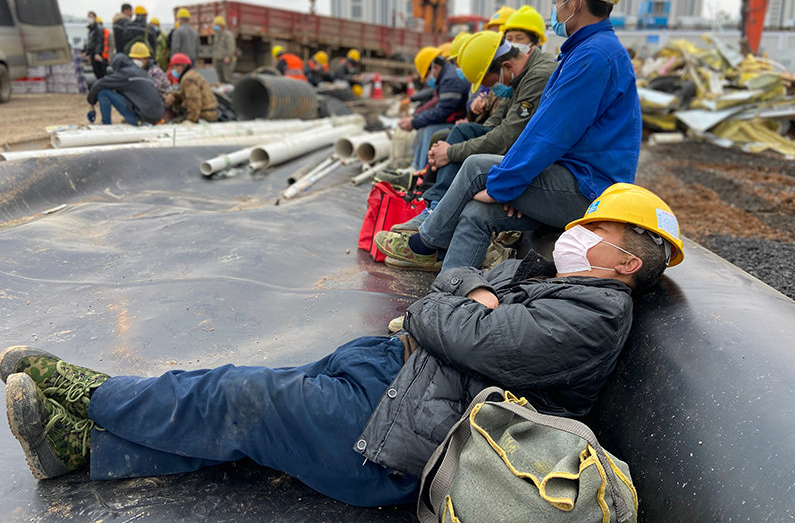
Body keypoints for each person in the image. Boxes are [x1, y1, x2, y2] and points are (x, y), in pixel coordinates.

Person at [0, 183, 684, 508]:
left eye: (598, 230)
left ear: (626, 263)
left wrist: (459, 309)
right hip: (401, 382)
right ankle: (81, 448)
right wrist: (465, 303)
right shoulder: (543, 276)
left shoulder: (592, 316)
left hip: (399, 439)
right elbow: (455, 282)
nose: (577, 231)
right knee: (252, 416)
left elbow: (457, 321)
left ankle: (93, 394)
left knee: (243, 395)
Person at [375, 0, 641, 273]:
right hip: (571, 177)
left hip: (589, 188)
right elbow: (543, 133)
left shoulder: (594, 57)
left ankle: (423, 244)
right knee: (476, 212)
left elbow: (547, 135)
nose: (555, 5)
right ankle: (449, 302)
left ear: (574, 1)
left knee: (476, 168)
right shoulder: (588, 52)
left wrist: (506, 185)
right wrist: (520, 187)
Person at [388, 27, 556, 250]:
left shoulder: (537, 76)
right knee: (460, 133)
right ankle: (435, 206)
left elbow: (506, 137)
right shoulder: (519, 73)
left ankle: (434, 227)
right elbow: (495, 122)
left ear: (505, 66)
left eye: (491, 83)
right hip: (518, 144)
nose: (496, 89)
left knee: (463, 155)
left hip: (529, 153)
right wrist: (459, 143)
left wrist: (450, 153)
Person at [397, 46, 470, 170]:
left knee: (430, 130)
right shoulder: (447, 76)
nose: (427, 80)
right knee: (427, 127)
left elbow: (441, 112)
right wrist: (416, 118)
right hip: (458, 119)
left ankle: (420, 170)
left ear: (435, 67)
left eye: (426, 76)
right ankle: (416, 166)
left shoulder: (450, 80)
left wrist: (414, 121)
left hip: (461, 122)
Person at [86, 53, 163, 126]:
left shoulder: (124, 74)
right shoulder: (143, 72)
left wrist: (91, 102)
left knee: (103, 92)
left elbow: (99, 84)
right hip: (157, 117)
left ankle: (106, 124)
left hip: (140, 119)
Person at [164, 53, 218, 123]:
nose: (173, 70)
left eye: (174, 67)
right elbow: (184, 93)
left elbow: (194, 102)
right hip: (209, 112)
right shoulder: (190, 75)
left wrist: (190, 120)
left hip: (205, 115)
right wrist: (173, 95)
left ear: (182, 66)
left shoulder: (188, 80)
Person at [211, 16, 236, 84]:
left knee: (227, 78)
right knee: (220, 79)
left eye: (216, 25)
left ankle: (230, 92)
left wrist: (228, 56)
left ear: (221, 26)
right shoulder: (217, 36)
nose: (215, 27)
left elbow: (231, 47)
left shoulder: (228, 35)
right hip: (218, 60)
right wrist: (214, 58)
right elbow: (215, 48)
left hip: (225, 61)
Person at [84, 11, 106, 79]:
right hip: (92, 53)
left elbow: (99, 41)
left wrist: (97, 53)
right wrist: (87, 53)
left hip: (96, 53)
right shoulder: (91, 28)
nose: (89, 18)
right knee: (96, 71)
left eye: (91, 17)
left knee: (100, 71)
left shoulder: (97, 28)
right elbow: (90, 42)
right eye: (88, 17)